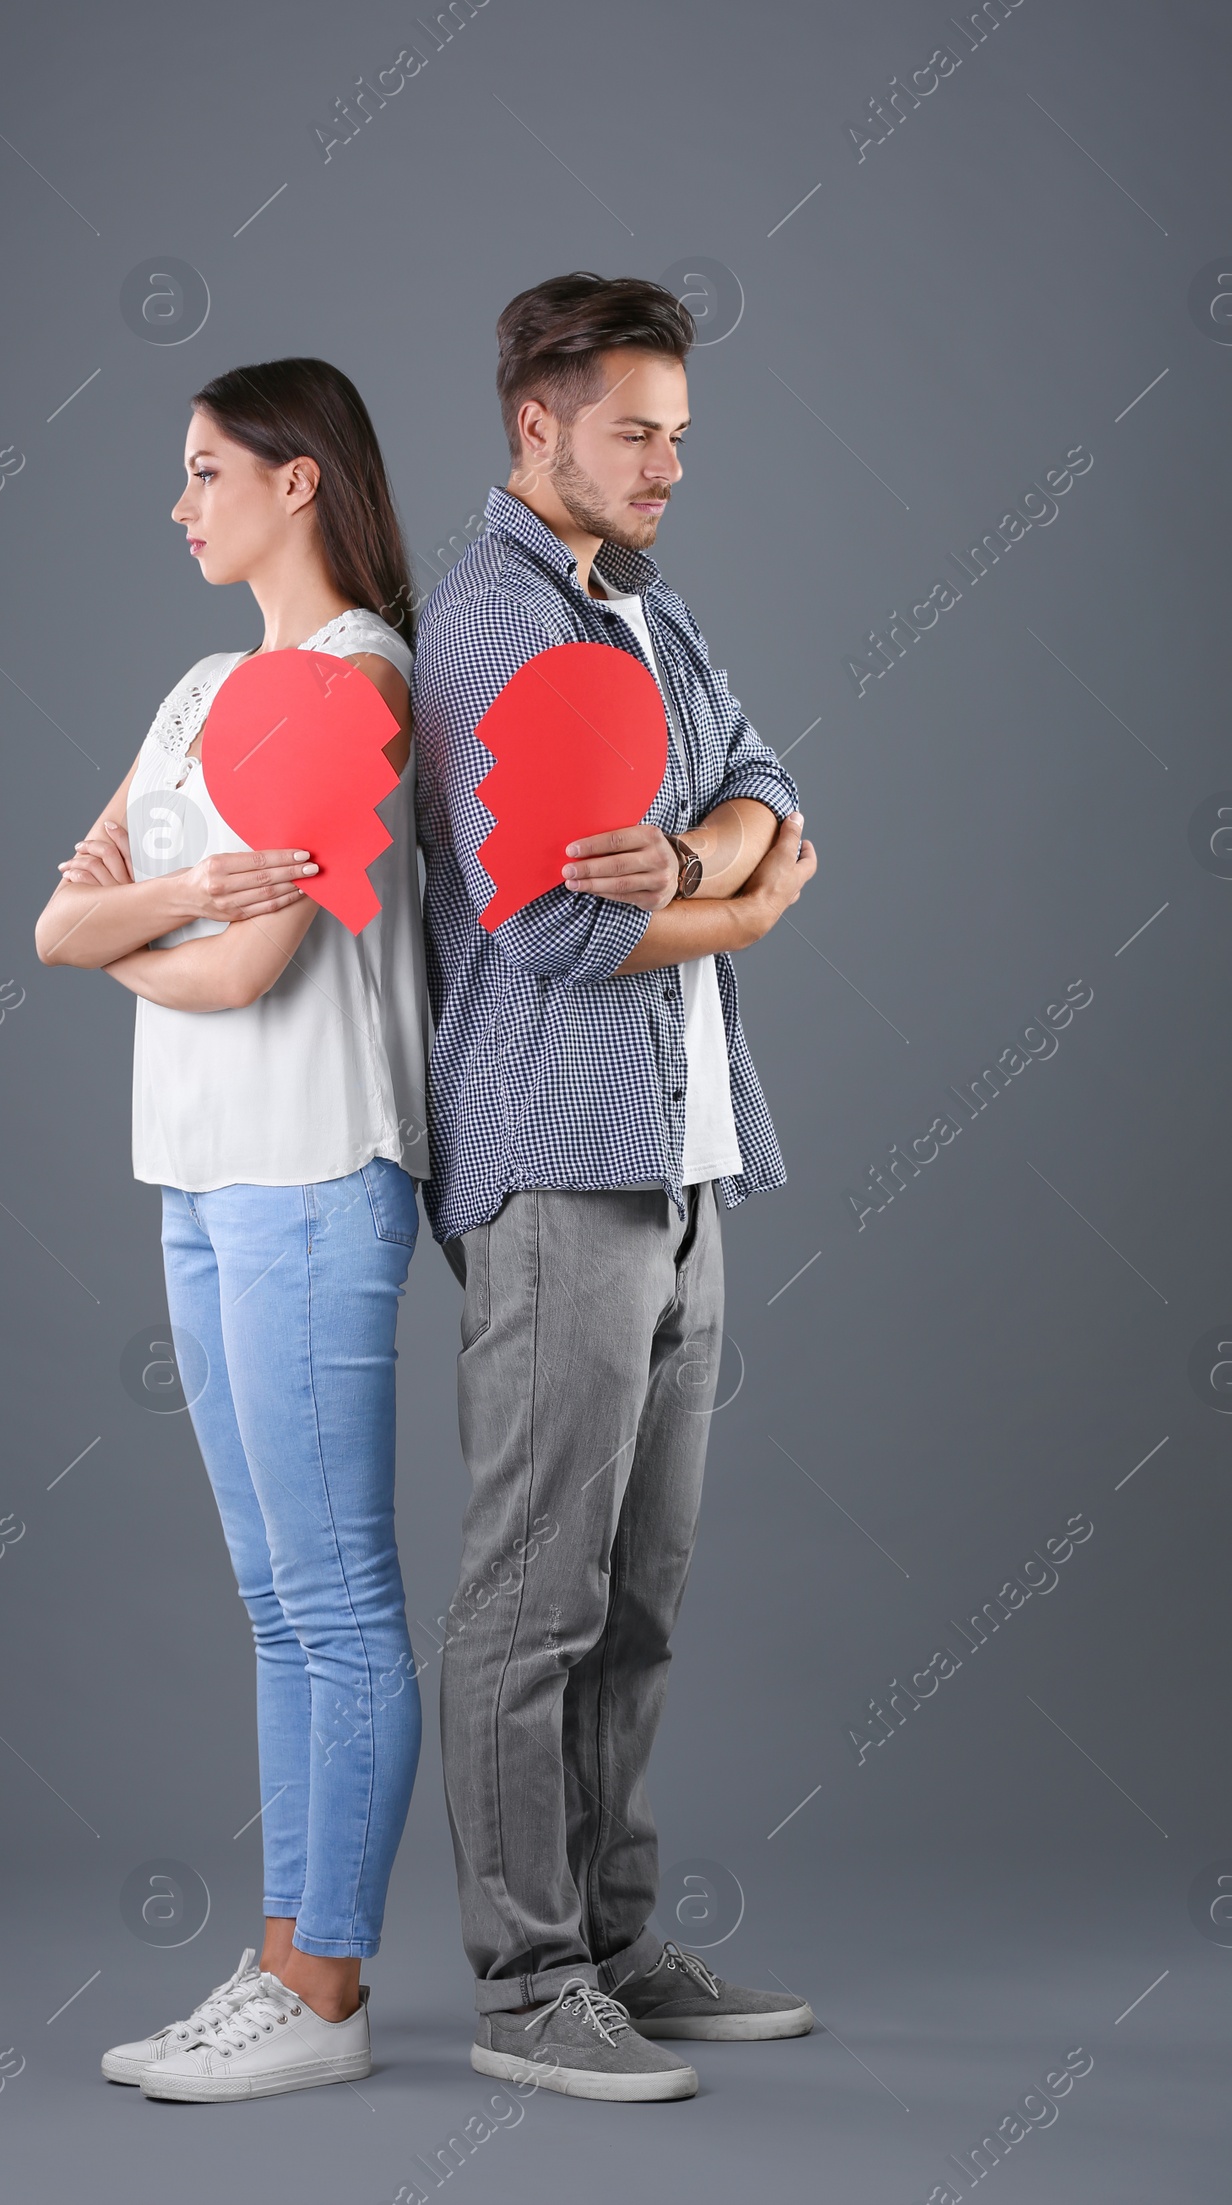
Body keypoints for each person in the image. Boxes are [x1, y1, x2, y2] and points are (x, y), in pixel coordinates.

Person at [412, 273, 821, 2101]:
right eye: (635, 429)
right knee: (533, 1592)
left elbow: (763, 776)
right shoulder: (499, 630)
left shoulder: (644, 610)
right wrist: (747, 902)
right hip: (557, 1162)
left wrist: (715, 847)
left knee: (640, 1592)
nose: (668, 464)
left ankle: (618, 1938)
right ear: (536, 425)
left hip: (681, 1149)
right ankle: (524, 1985)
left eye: (680, 433)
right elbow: (570, 937)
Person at [34, 357, 427, 2103]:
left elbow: (254, 970)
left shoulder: (362, 682)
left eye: (206, 470)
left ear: (301, 482)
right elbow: (59, 924)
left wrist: (141, 921)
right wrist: (177, 894)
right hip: (196, 1171)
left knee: (336, 1595)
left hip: (315, 1164)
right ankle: (283, 1962)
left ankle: (328, 1991)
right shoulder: (201, 691)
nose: (178, 503)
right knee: (276, 1604)